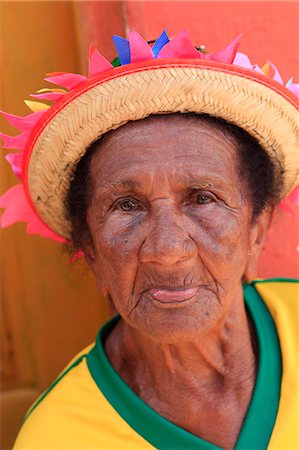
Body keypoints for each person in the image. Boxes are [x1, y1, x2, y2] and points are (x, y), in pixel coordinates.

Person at [0, 29, 298, 450]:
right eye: (126, 206)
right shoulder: (56, 438)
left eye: (202, 198)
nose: (167, 251)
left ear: (257, 229)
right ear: (90, 251)